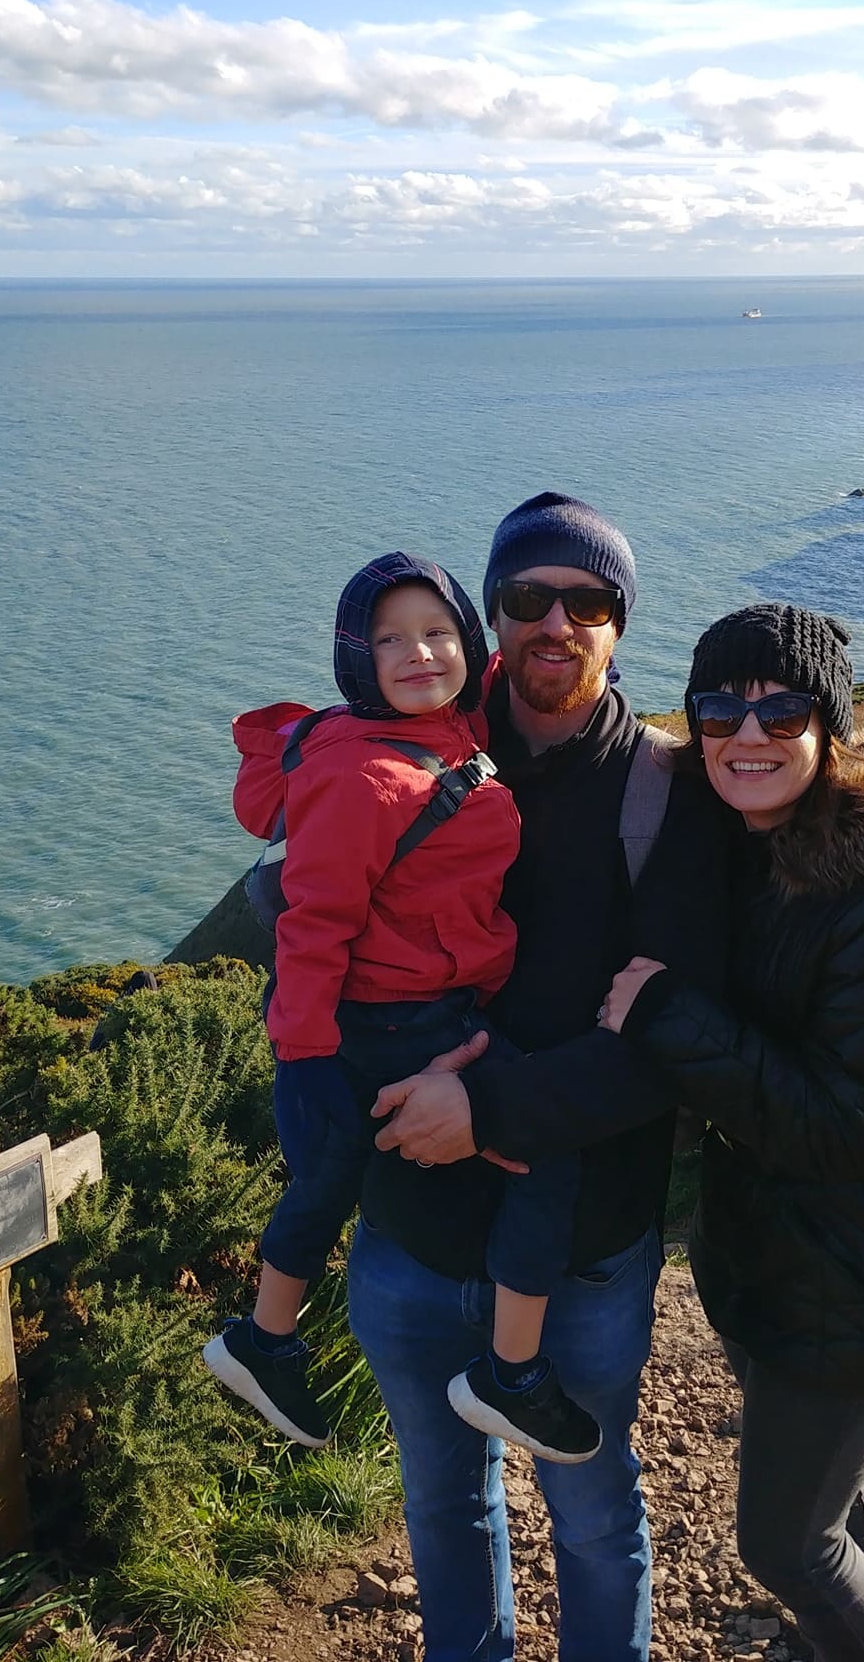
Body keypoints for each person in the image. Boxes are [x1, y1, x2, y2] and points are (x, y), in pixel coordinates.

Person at [601, 602, 864, 1662]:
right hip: (789, 1262)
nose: (748, 733)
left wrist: (666, 1014)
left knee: (787, 1541)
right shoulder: (759, 843)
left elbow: (843, 1125)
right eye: (720, 708)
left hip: (862, 1271)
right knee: (832, 1499)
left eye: (781, 707)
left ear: (828, 724)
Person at [344, 493, 735, 1662]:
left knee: (594, 1514)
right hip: (411, 1229)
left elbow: (668, 1042)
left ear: (620, 625)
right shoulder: (406, 759)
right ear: (491, 618)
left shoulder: (674, 799)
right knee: (441, 1507)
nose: (555, 621)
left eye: (589, 600)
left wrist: (485, 1109)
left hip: (586, 1251)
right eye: (527, 598)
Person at [203, 551, 600, 1465]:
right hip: (395, 1020)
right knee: (540, 1149)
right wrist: (302, 1062)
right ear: (357, 660)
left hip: (425, 1002)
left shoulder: (445, 731)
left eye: (438, 632)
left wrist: (552, 629)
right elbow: (314, 926)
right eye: (389, 640)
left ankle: (265, 1340)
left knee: (336, 1173)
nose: (419, 653)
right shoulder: (364, 777)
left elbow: (505, 669)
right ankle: (510, 1374)